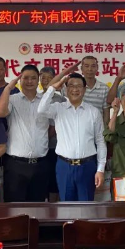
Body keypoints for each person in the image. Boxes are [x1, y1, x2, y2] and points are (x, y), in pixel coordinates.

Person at [37, 73, 107, 202]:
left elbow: (100, 141)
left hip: (87, 166)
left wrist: (100, 169)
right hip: (64, 166)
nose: (75, 89)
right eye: (71, 85)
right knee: (66, 206)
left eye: (79, 86)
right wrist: (53, 88)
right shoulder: (58, 108)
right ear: (65, 89)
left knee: (87, 206)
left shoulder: (93, 112)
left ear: (84, 89)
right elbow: (41, 110)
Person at [0, 65, 50, 202]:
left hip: (40, 164)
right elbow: (0, 113)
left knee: (38, 208)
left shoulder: (46, 100)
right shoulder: (12, 99)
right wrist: (8, 88)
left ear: (38, 80)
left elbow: (53, 128)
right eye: (25, 78)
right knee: (14, 208)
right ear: (19, 79)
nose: (29, 81)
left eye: (33, 78)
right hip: (16, 165)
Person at [59, 57, 110, 124]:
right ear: (81, 68)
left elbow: (106, 113)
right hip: (75, 126)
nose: (90, 69)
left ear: (97, 68)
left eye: (93, 66)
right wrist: (66, 71)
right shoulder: (71, 88)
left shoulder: (104, 88)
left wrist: (105, 129)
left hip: (97, 127)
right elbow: (50, 86)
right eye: (86, 66)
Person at [39, 66, 62, 202]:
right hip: (38, 149)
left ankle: (53, 210)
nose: (46, 81)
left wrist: (42, 140)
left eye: (50, 78)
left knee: (53, 182)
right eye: (43, 78)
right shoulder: (37, 97)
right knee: (42, 182)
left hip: (53, 147)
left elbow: (54, 127)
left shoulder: (60, 100)